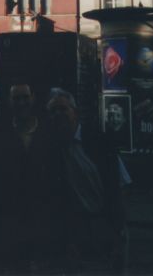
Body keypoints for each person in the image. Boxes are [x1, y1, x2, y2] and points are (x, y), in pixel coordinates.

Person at [47, 88, 130, 275]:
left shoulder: (97, 141)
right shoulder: (54, 150)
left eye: (62, 109)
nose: (58, 115)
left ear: (74, 113)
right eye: (53, 112)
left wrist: (117, 229)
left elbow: (121, 185)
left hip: (107, 224)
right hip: (79, 230)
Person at [0, 83, 54, 273]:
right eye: (16, 98)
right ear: (9, 102)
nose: (21, 102)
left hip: (40, 216)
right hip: (8, 216)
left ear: (33, 99)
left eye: (25, 97)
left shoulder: (47, 133)